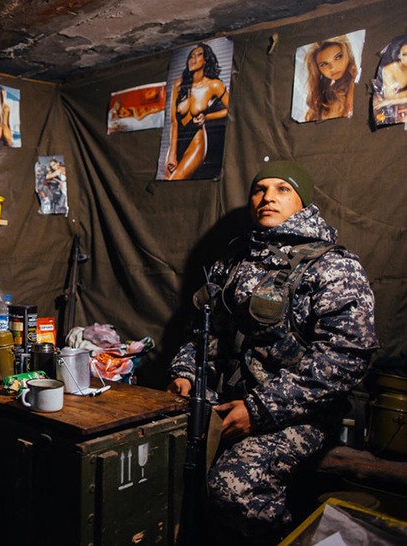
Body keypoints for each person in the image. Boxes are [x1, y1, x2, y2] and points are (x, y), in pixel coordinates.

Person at [167, 161, 378, 544]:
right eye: (259, 189)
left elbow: (345, 358)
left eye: (282, 188)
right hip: (227, 400)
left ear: (303, 201)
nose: (267, 197)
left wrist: (261, 409)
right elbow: (204, 331)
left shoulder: (332, 265)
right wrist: (186, 373)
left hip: (299, 414)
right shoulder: (235, 259)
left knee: (233, 490)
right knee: (158, 456)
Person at [165, 43, 229, 180]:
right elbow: (174, 121)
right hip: (177, 139)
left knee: (175, 180)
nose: (193, 60)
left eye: (198, 55)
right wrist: (172, 153)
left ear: (205, 60)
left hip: (196, 139)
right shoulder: (178, 84)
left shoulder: (214, 85)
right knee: (166, 183)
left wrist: (207, 117)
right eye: (191, 56)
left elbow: (231, 110)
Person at [303, 35, 358, 121]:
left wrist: (352, 82)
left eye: (338, 57)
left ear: (347, 55)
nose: (332, 68)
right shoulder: (324, 99)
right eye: (324, 64)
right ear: (318, 69)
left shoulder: (359, 82)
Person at [373, 36, 407, 125]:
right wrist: (391, 100)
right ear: (399, 56)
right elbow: (389, 96)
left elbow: (391, 99)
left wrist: (392, 100)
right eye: (405, 54)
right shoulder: (390, 70)